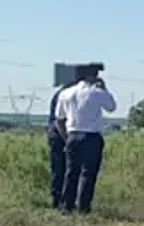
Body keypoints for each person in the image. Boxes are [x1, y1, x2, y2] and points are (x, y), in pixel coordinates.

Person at [55, 63, 117, 214]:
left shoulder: (66, 93)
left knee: (71, 172)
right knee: (89, 174)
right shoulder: (96, 92)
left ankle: (66, 206)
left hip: (73, 135)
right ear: (92, 76)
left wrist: (66, 138)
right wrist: (104, 88)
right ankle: (84, 207)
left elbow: (59, 119)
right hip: (91, 136)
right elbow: (111, 106)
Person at [46, 67, 82, 209]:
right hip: (61, 133)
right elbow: (59, 120)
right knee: (64, 167)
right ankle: (62, 200)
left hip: (57, 133)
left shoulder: (61, 93)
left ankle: (59, 199)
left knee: (59, 167)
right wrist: (67, 140)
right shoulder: (66, 95)